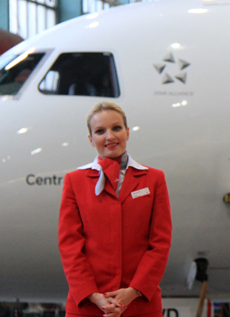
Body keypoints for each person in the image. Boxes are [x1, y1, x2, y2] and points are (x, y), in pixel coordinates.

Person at [58, 102, 172, 317]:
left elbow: (160, 243)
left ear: (127, 133)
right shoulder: (75, 181)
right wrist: (93, 295)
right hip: (88, 306)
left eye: (116, 128)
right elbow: (70, 246)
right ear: (91, 139)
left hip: (140, 304)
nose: (110, 136)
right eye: (100, 131)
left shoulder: (154, 179)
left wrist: (132, 292)